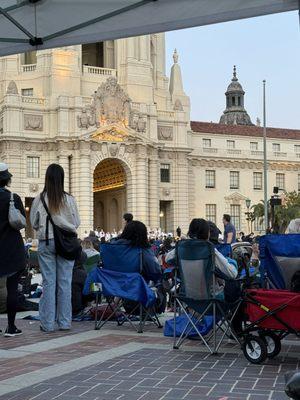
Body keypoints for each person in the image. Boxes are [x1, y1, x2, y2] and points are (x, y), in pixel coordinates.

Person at [30, 164, 80, 332]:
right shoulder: (69, 199)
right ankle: (65, 322)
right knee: (65, 282)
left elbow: (34, 223)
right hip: (66, 243)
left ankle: (47, 323)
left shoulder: (39, 199)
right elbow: (76, 223)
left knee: (48, 283)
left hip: (46, 241)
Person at [166, 218, 237, 298]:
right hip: (209, 299)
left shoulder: (181, 247)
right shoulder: (209, 249)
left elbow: (167, 259)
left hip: (187, 298)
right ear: (207, 234)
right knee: (232, 264)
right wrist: (232, 262)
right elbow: (232, 274)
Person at [0, 163, 26, 336]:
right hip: (11, 248)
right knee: (12, 289)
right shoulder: (12, 197)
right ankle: (11, 327)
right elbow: (22, 221)